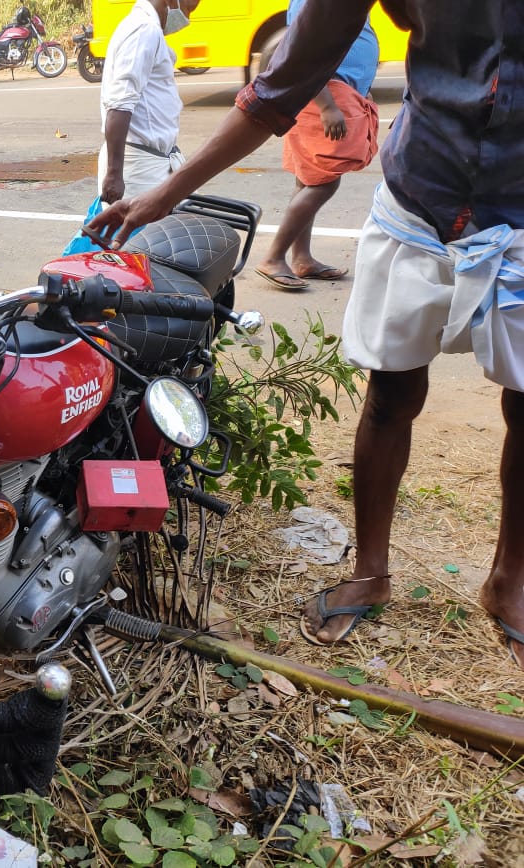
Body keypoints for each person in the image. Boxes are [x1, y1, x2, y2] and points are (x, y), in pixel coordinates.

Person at [88, 1, 524, 670]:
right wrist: (164, 195)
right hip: (422, 196)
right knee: (392, 394)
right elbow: (278, 88)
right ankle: (371, 571)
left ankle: (508, 583)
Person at [253, 0, 379, 290]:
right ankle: (273, 257)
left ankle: (302, 258)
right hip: (324, 97)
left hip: (337, 94)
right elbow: (304, 55)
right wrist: (327, 107)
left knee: (308, 179)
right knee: (323, 183)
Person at [98, 0, 201, 205]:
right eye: (189, 8)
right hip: (139, 172)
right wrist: (114, 174)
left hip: (150, 165)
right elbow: (120, 104)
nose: (188, 18)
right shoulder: (144, 30)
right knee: (137, 236)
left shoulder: (146, 27)